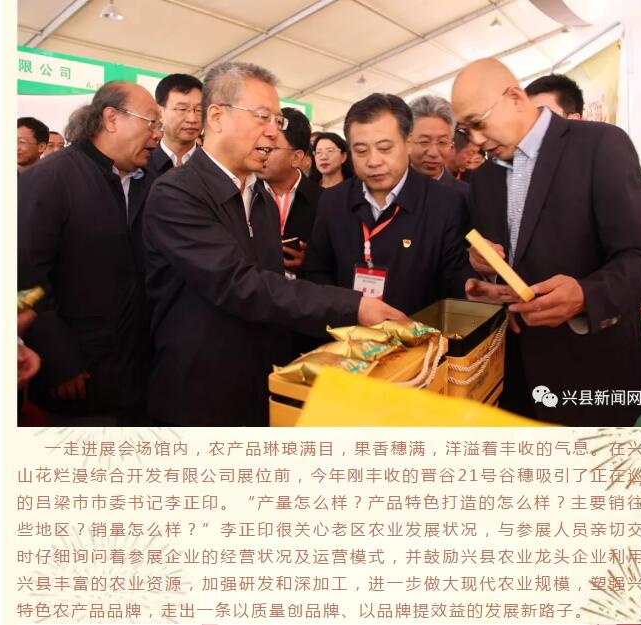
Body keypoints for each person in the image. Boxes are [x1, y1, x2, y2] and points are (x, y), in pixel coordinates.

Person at [142, 62, 404, 427]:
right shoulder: (175, 193)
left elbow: (273, 287)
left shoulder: (260, 194)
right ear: (216, 116)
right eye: (262, 117)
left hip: (259, 384)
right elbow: (239, 284)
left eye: (277, 121)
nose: (273, 132)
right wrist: (353, 306)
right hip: (200, 393)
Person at [451, 58, 641, 426]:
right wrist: (483, 271)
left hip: (593, 372)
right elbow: (506, 261)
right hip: (516, 379)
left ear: (514, 97)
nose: (476, 140)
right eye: (466, 130)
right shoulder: (483, 179)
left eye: (479, 123)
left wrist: (585, 296)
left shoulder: (600, 145)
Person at [18, 81, 162, 425]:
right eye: (151, 123)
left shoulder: (151, 182)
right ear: (111, 118)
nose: (157, 135)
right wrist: (59, 359)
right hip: (77, 373)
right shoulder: (49, 179)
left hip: (141, 369)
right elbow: (27, 277)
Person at [305, 93, 474, 316]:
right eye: (361, 151)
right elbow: (317, 271)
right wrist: (346, 310)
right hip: (349, 332)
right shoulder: (332, 201)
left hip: (419, 333)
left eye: (385, 148)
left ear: (408, 143)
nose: (373, 161)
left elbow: (455, 280)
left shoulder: (446, 203)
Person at [257, 106, 319, 276]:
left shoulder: (324, 201)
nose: (262, 155)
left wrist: (308, 261)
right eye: (260, 147)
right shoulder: (245, 194)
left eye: (270, 149)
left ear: (296, 157)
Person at [408, 94, 469, 197]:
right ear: (406, 141)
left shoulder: (465, 196)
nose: (434, 153)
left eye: (442, 142)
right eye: (424, 142)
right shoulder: (389, 190)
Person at [147, 73, 203, 177]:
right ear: (160, 113)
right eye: (182, 109)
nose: (192, 119)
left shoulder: (214, 165)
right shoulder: (142, 164)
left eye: (199, 110)